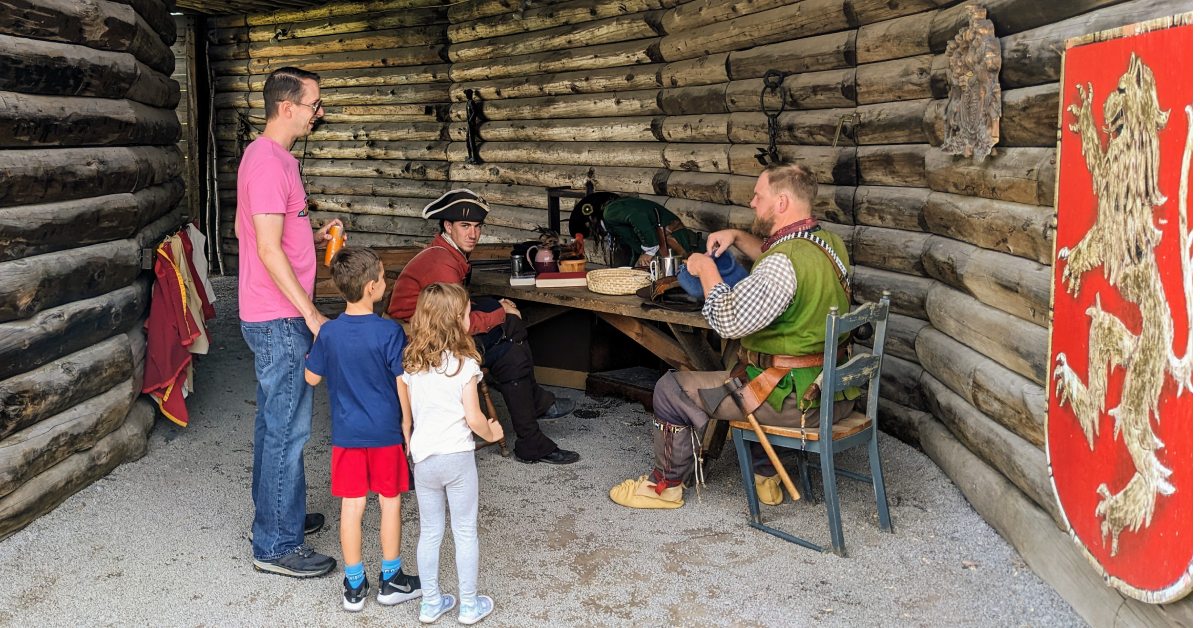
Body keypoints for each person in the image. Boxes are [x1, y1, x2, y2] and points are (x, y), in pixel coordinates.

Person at [609, 162, 857, 509]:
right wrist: (738, 237)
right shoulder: (826, 244)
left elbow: (730, 323)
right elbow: (779, 256)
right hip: (833, 391)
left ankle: (663, 488)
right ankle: (766, 474)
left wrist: (707, 269)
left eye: (759, 196)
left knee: (672, 389)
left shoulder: (781, 264)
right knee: (746, 375)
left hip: (796, 403)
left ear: (782, 203)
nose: (753, 203)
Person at [236, 66, 342, 576]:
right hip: (279, 317)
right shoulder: (266, 163)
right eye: (314, 104)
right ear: (287, 107)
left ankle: (281, 514)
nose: (318, 113)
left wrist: (315, 237)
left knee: (274, 423)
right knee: (287, 428)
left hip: (280, 313)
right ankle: (276, 544)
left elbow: (282, 235)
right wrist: (312, 314)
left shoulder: (279, 161)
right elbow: (266, 249)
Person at [387, 189, 579, 465]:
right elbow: (455, 322)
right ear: (448, 226)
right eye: (465, 226)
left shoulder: (447, 252)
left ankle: (534, 412)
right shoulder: (441, 262)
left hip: (435, 330)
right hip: (422, 341)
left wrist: (496, 307)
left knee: (506, 324)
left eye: (477, 227)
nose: (473, 234)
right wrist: (501, 314)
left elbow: (456, 307)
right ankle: (533, 419)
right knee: (511, 345)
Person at [303, 247, 422, 611]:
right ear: (372, 287)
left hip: (347, 436)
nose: (385, 283)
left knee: (351, 507)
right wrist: (407, 422)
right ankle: (391, 579)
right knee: (390, 503)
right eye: (383, 278)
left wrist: (319, 351)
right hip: (385, 433)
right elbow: (402, 381)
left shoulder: (330, 333)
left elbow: (311, 378)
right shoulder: (389, 332)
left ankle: (354, 585)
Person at [400, 283, 504, 625]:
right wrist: (494, 432)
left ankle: (431, 603)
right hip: (458, 459)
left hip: (425, 460)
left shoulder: (412, 364)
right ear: (457, 321)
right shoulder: (465, 365)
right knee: (464, 531)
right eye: (466, 312)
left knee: (430, 531)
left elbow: (408, 413)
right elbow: (474, 418)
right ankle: (469, 605)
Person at [568, 193, 703, 268]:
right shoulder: (612, 223)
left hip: (676, 244)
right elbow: (635, 245)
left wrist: (649, 250)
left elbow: (638, 216)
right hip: (667, 249)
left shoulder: (610, 212)